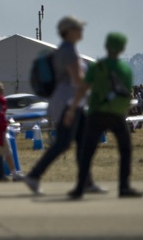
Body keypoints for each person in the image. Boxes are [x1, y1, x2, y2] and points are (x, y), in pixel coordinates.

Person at [24, 16, 100, 195]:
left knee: (82, 143)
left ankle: (86, 182)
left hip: (73, 102)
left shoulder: (68, 50)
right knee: (63, 143)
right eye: (78, 28)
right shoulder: (68, 52)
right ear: (69, 31)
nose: (81, 32)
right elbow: (77, 80)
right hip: (69, 103)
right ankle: (34, 175)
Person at [68, 32, 142, 199]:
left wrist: (73, 109)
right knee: (125, 150)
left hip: (96, 113)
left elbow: (83, 88)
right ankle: (124, 187)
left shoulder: (97, 66)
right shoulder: (125, 70)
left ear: (106, 46)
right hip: (116, 114)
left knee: (87, 151)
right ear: (123, 48)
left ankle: (80, 187)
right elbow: (127, 94)